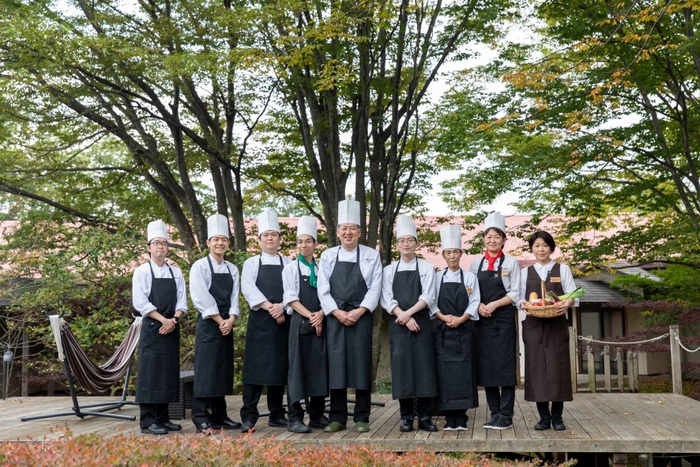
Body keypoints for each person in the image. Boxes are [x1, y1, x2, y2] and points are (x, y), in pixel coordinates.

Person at [317, 200, 382, 433]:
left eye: (352, 228)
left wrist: (360, 310)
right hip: (335, 316)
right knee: (337, 366)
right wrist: (335, 311)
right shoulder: (327, 256)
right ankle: (337, 417)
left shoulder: (371, 255)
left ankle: (362, 418)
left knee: (361, 364)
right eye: (344, 228)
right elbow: (322, 288)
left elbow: (376, 287)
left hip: (360, 316)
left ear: (359, 232)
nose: (348, 232)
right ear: (337, 232)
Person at [380, 215, 438, 432]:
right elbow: (386, 298)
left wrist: (409, 314)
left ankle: (424, 417)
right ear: (397, 245)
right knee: (402, 369)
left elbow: (429, 296)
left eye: (410, 240)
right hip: (399, 325)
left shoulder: (426, 267)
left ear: (416, 243)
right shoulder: (388, 270)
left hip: (420, 322)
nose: (406, 244)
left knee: (424, 369)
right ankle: (406, 417)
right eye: (402, 240)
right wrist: (402, 316)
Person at [132, 220, 187, 435]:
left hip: (172, 326)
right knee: (150, 373)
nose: (161, 247)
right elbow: (141, 303)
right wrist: (163, 320)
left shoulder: (176, 273)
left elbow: (182, 303)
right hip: (153, 327)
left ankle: (164, 417)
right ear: (149, 247)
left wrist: (173, 320)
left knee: (168, 372)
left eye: (164, 243)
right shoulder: (142, 272)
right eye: (156, 243)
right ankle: (147, 420)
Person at [518, 231, 576, 431]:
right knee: (537, 370)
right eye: (536, 246)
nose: (541, 249)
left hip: (557, 324)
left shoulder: (563, 269)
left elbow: (573, 295)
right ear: (532, 249)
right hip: (534, 326)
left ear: (551, 248)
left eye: (544, 245)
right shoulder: (525, 272)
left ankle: (557, 417)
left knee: (557, 369)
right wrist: (523, 304)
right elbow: (519, 298)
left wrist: (567, 303)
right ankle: (543, 417)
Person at [190, 214, 242, 434]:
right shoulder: (199, 267)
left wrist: (231, 318)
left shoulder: (232, 269)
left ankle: (219, 416)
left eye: (224, 239)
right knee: (205, 371)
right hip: (209, 324)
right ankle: (200, 417)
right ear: (208, 243)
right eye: (216, 239)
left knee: (221, 370)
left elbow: (235, 298)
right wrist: (221, 320)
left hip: (226, 324)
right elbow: (201, 297)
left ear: (228, 243)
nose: (220, 243)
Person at [240, 209, 292, 433]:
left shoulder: (289, 262)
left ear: (280, 239)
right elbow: (248, 288)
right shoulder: (251, 263)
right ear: (259, 239)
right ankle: (249, 416)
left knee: (279, 369)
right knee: (254, 370)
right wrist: (271, 307)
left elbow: (293, 290)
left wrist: (283, 307)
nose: (270, 238)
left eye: (274, 235)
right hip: (260, 323)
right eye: (266, 235)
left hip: (283, 323)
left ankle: (277, 414)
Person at [469, 212, 521, 431]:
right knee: (487, 367)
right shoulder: (475, 264)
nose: (492, 240)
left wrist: (494, 304)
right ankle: (494, 413)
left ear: (503, 239)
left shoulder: (511, 262)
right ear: (483, 239)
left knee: (505, 367)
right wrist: (479, 304)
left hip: (504, 319)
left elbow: (516, 292)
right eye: (489, 236)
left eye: (497, 237)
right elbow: (470, 290)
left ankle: (506, 414)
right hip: (482, 322)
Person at [430, 225, 481, 431]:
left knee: (464, 373)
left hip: (464, 331)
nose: (452, 256)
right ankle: (449, 417)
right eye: (448, 252)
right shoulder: (436, 278)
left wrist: (461, 319)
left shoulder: (469, 277)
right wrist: (443, 317)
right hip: (443, 333)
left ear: (461, 254)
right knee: (444, 374)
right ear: (443, 255)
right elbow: (430, 301)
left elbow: (475, 300)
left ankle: (462, 417)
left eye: (455, 252)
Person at [283, 216, 329, 433]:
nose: (304, 245)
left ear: (315, 244)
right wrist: (313, 317)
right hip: (299, 324)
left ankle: (317, 416)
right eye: (300, 242)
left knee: (319, 370)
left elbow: (329, 296)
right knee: (296, 371)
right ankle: (294, 418)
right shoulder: (290, 269)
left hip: (321, 323)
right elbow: (291, 299)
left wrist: (321, 314)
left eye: (308, 241)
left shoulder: (322, 270)